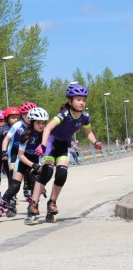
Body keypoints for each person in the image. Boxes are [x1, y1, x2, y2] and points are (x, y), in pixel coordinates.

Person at [29, 83, 103, 222]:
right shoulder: (64, 114)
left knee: (62, 173)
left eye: (84, 99)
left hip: (64, 145)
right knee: (48, 171)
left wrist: (95, 142)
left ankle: (52, 202)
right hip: (52, 143)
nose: (82, 102)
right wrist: (44, 145)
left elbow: (88, 132)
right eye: (78, 99)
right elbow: (48, 128)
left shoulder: (84, 117)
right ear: (70, 101)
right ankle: (34, 203)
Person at [0, 107, 49, 224]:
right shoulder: (25, 135)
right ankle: (0, 207)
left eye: (43, 123)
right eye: (38, 122)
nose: (41, 125)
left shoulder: (45, 134)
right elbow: (21, 155)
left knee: (34, 182)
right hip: (23, 160)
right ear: (32, 122)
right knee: (15, 186)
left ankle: (33, 206)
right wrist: (34, 166)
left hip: (35, 160)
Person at [2, 102, 37, 201]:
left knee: (31, 174)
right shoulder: (18, 125)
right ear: (22, 115)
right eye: (27, 114)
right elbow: (6, 139)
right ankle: (11, 199)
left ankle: (30, 192)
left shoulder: (36, 125)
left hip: (26, 151)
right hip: (14, 150)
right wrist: (4, 151)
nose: (30, 117)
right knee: (13, 174)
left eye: (32, 114)